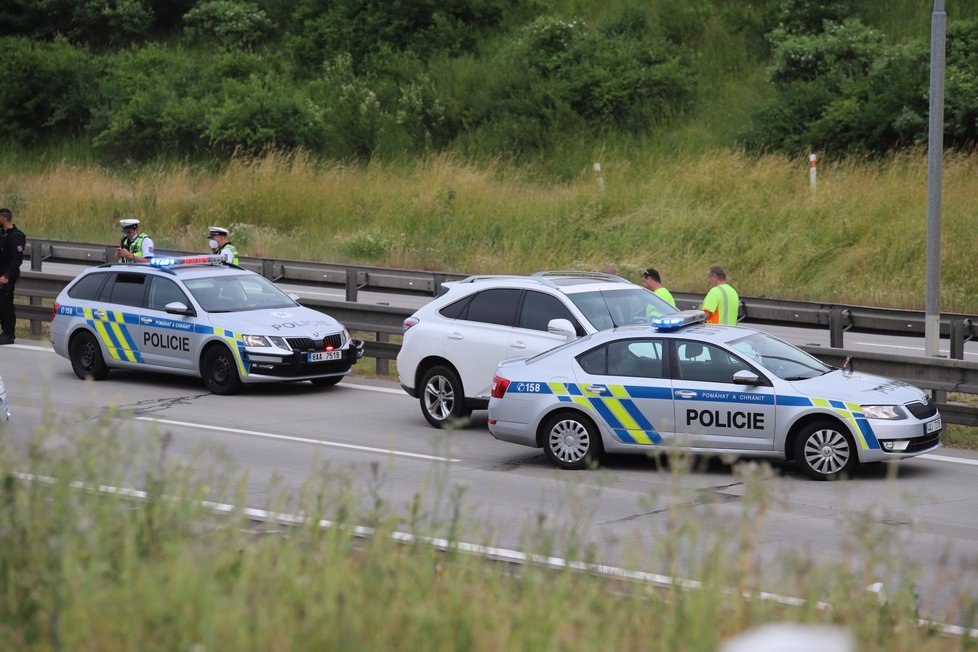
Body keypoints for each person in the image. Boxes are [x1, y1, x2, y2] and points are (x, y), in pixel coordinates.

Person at [0, 208, 26, 345]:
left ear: (3, 219)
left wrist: (7, 276)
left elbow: (17, 260)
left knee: (6, 304)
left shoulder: (16, 236)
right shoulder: (2, 234)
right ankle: (4, 331)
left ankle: (9, 334)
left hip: (7, 276)